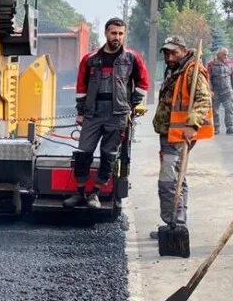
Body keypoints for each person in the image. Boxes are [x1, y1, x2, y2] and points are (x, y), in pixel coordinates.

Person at [63, 18, 150, 208]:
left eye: (120, 33)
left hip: (117, 115)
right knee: (83, 152)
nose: (117, 37)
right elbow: (81, 87)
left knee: (108, 155)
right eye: (113, 33)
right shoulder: (90, 59)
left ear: (124, 35)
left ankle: (95, 193)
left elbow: (143, 83)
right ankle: (79, 192)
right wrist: (80, 112)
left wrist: (131, 106)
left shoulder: (132, 58)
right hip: (92, 114)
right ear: (106, 33)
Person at [150, 36, 213, 236]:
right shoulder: (177, 69)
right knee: (177, 177)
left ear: (184, 51)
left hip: (180, 134)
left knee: (168, 179)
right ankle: (176, 223)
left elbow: (203, 100)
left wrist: (192, 125)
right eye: (167, 53)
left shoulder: (192, 71)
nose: (169, 57)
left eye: (173, 52)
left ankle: (173, 224)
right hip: (170, 133)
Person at [206, 48, 233, 134]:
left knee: (229, 109)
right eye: (224, 54)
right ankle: (216, 128)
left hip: (227, 91)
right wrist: (210, 90)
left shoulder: (230, 63)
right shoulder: (211, 64)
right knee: (215, 110)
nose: (226, 56)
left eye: (227, 54)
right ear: (218, 55)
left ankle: (229, 127)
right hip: (215, 92)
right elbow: (208, 78)